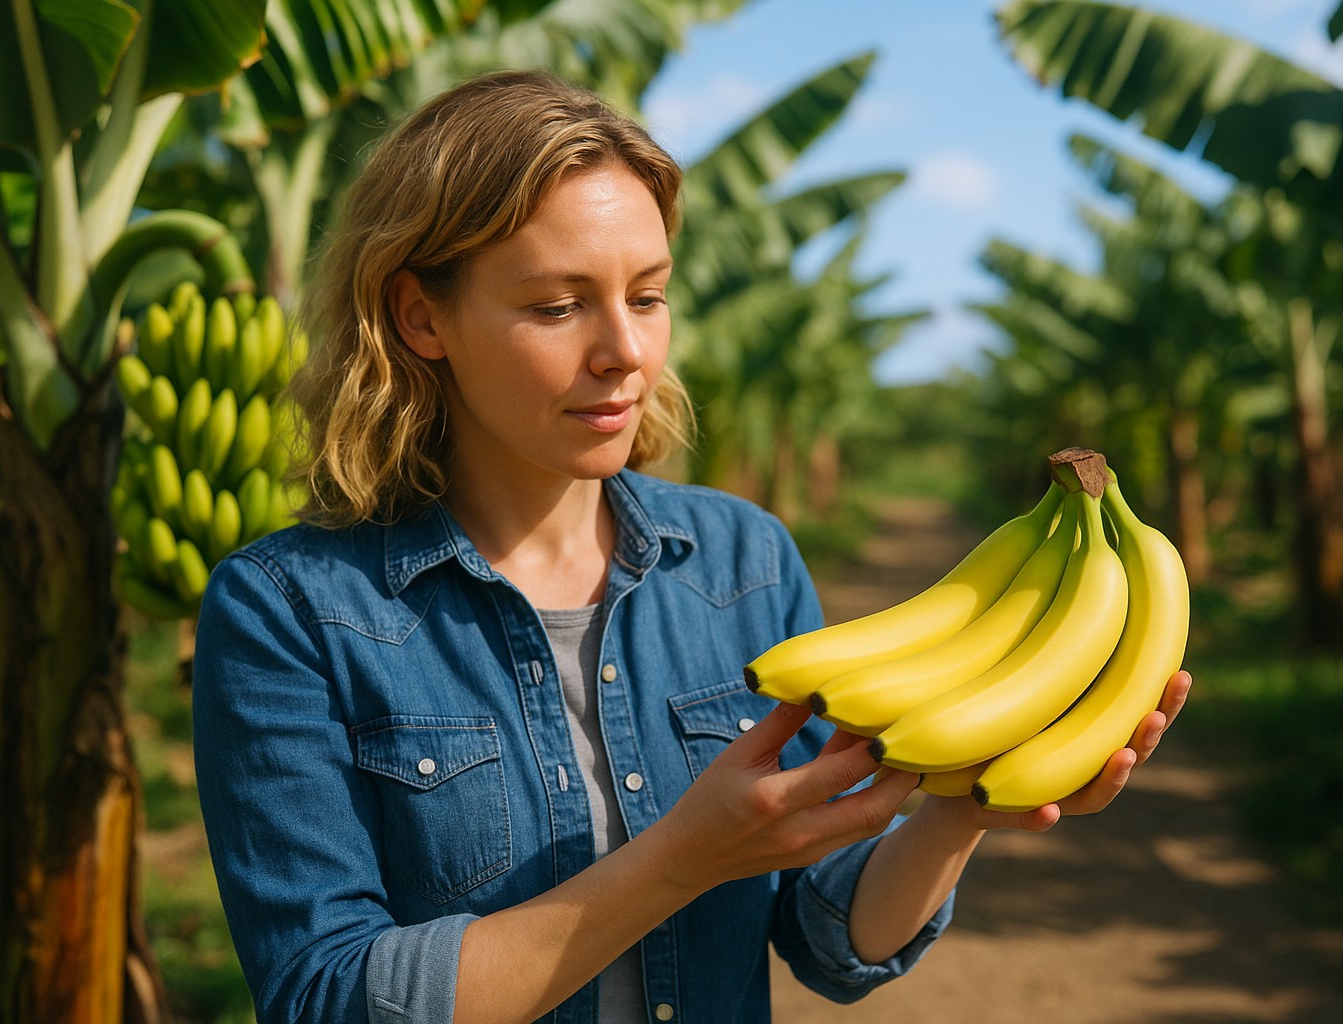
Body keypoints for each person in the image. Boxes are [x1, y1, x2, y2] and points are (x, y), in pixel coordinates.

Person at [191, 69, 1192, 1024]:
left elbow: (823, 933)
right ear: (420, 316)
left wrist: (962, 807)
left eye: (648, 295)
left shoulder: (739, 562)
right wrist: (681, 857)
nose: (624, 351)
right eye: (556, 304)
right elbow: (327, 997)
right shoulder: (289, 611)